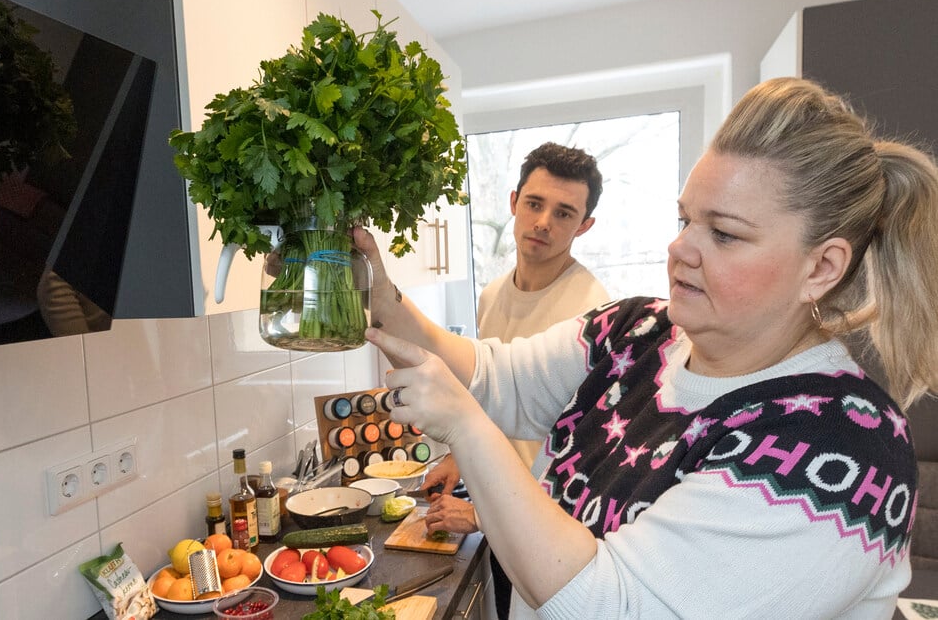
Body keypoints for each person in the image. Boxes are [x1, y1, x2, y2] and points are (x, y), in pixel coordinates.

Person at [355, 76, 938, 619]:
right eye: (686, 219)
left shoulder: (839, 451)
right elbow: (494, 376)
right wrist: (377, 294)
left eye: (725, 233)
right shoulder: (639, 330)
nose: (681, 248)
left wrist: (465, 425)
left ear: (822, 266)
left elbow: (613, 606)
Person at [425, 142, 610, 619]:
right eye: (534, 203)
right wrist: (458, 458)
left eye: (564, 212)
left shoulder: (591, 313)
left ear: (584, 226)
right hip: (501, 506)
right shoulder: (491, 296)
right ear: (513, 202)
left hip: (549, 530)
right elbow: (498, 399)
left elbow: (582, 454)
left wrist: (483, 515)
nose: (544, 221)